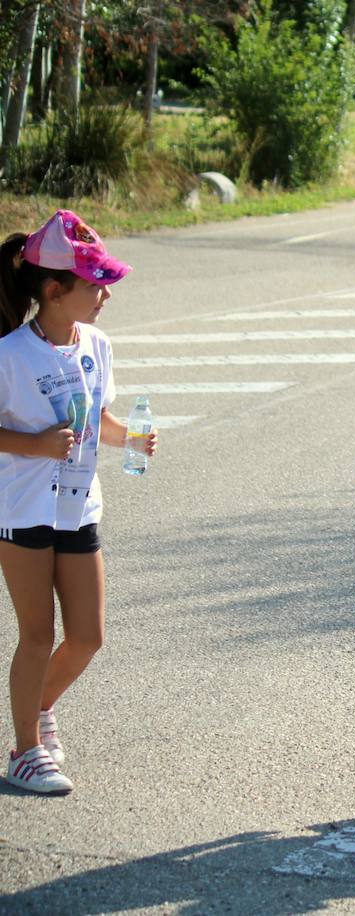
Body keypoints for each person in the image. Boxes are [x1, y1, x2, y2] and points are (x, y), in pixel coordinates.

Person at [0, 210, 155, 794]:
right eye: (95, 283)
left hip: (79, 505)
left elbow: (100, 420)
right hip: (22, 510)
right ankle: (25, 752)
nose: (104, 294)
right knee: (37, 636)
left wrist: (129, 437)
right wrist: (34, 445)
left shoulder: (97, 345)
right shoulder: (11, 354)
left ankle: (34, 709)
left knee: (88, 637)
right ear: (53, 290)